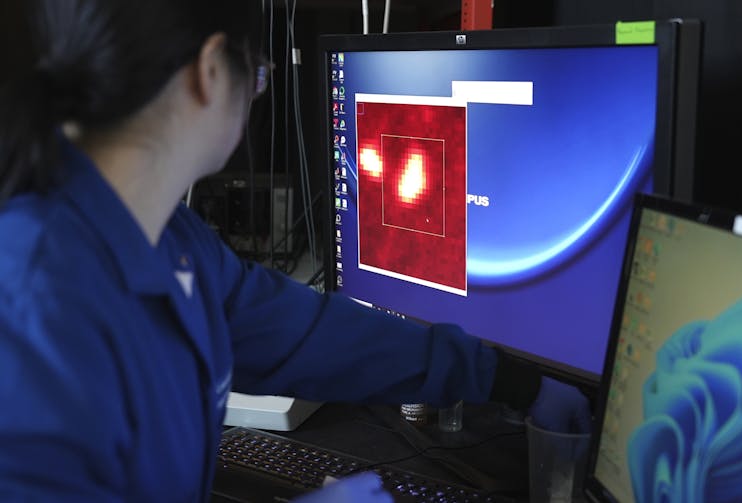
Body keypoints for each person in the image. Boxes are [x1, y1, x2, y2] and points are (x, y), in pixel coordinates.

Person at [0, 1, 590, 501]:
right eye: (258, 75)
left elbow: (310, 335)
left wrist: (513, 383)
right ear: (210, 71)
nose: (256, 95)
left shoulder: (171, 244)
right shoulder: (34, 313)